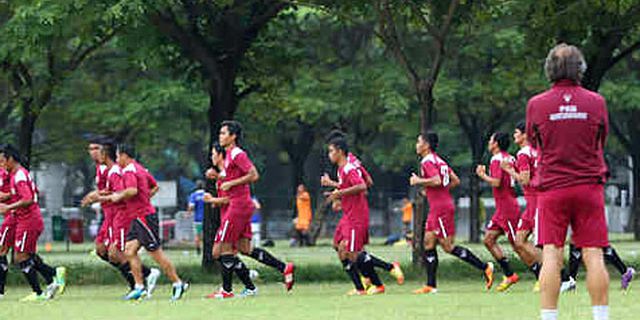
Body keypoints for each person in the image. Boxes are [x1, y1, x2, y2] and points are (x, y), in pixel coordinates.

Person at [527, 43, 610, 320]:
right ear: (580, 69)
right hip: (589, 187)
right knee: (594, 255)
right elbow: (601, 139)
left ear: (549, 69)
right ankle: (601, 316)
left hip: (552, 189)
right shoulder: (596, 102)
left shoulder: (536, 105)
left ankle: (549, 317)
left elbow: (534, 142)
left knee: (551, 254)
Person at [208, 122, 294, 299]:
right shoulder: (231, 155)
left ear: (233, 136)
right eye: (220, 133)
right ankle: (283, 268)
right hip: (241, 204)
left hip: (238, 205)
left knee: (221, 249)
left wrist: (231, 183)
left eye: (224, 133)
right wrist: (220, 177)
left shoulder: (238, 153)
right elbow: (231, 177)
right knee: (244, 248)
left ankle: (227, 290)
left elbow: (253, 174)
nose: (220, 136)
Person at [410, 132, 494, 294]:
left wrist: (419, 181)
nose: (417, 144)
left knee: (448, 246)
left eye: (418, 141)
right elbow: (454, 180)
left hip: (441, 208)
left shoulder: (427, 161)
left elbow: (437, 180)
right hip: (439, 206)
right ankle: (430, 285)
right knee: (428, 242)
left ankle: (485, 267)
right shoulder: (438, 160)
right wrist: (434, 192)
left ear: (426, 145)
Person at [105, 144, 188, 301]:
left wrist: (119, 196)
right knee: (129, 251)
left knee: (156, 254)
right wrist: (144, 199)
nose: (117, 160)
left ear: (124, 156)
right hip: (137, 217)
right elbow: (154, 186)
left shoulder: (130, 170)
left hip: (144, 218)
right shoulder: (140, 168)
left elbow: (132, 190)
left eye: (117, 156)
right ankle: (139, 287)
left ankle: (178, 283)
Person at [322, 130, 404, 289]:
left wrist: (340, 193)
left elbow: (362, 185)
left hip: (356, 213)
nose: (328, 154)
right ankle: (365, 282)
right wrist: (335, 188)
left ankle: (379, 277)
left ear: (340, 149)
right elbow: (365, 182)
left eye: (330, 150)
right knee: (340, 246)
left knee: (353, 252)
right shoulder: (346, 165)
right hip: (349, 212)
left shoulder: (348, 166)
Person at [91, 141, 160, 297]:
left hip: (120, 215)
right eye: (91, 149)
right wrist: (97, 195)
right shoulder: (105, 170)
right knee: (102, 250)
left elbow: (124, 193)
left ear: (106, 154)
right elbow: (115, 192)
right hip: (110, 216)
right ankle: (141, 280)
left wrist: (103, 196)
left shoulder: (119, 171)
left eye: (96, 149)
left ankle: (143, 280)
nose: (93, 153)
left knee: (116, 253)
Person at [0, 145, 66, 301]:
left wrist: (8, 206)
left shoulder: (19, 176)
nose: (1, 165)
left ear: (10, 159)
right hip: (20, 217)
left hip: (29, 219)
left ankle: (46, 283)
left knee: (21, 256)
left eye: (2, 161)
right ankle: (47, 282)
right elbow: (16, 195)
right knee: (17, 254)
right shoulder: (16, 174)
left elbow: (28, 198)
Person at [500, 122, 543, 291]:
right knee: (519, 241)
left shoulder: (523, 154)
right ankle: (543, 274)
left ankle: (556, 276)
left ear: (525, 135)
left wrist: (508, 169)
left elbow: (524, 179)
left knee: (538, 244)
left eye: (517, 132)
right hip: (532, 202)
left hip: (535, 202)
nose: (514, 135)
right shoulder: (536, 151)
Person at [475, 132, 520, 291]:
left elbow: (496, 182)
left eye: (490, 140)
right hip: (502, 208)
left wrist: (482, 175)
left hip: (507, 208)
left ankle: (541, 274)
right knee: (488, 239)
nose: (489, 143)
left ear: (495, 144)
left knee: (519, 245)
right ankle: (510, 274)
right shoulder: (511, 157)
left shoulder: (496, 159)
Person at [0, 148, 15, 298]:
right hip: (7, 216)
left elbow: (12, 193)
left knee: (2, 250)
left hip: (12, 215)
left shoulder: (8, 174)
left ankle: (0, 290)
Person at [187, 180, 206, 255]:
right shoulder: (207, 194)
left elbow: (191, 206)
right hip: (207, 219)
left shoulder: (194, 195)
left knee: (198, 235)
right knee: (207, 235)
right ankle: (207, 250)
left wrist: (188, 213)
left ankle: (198, 251)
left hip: (198, 219)